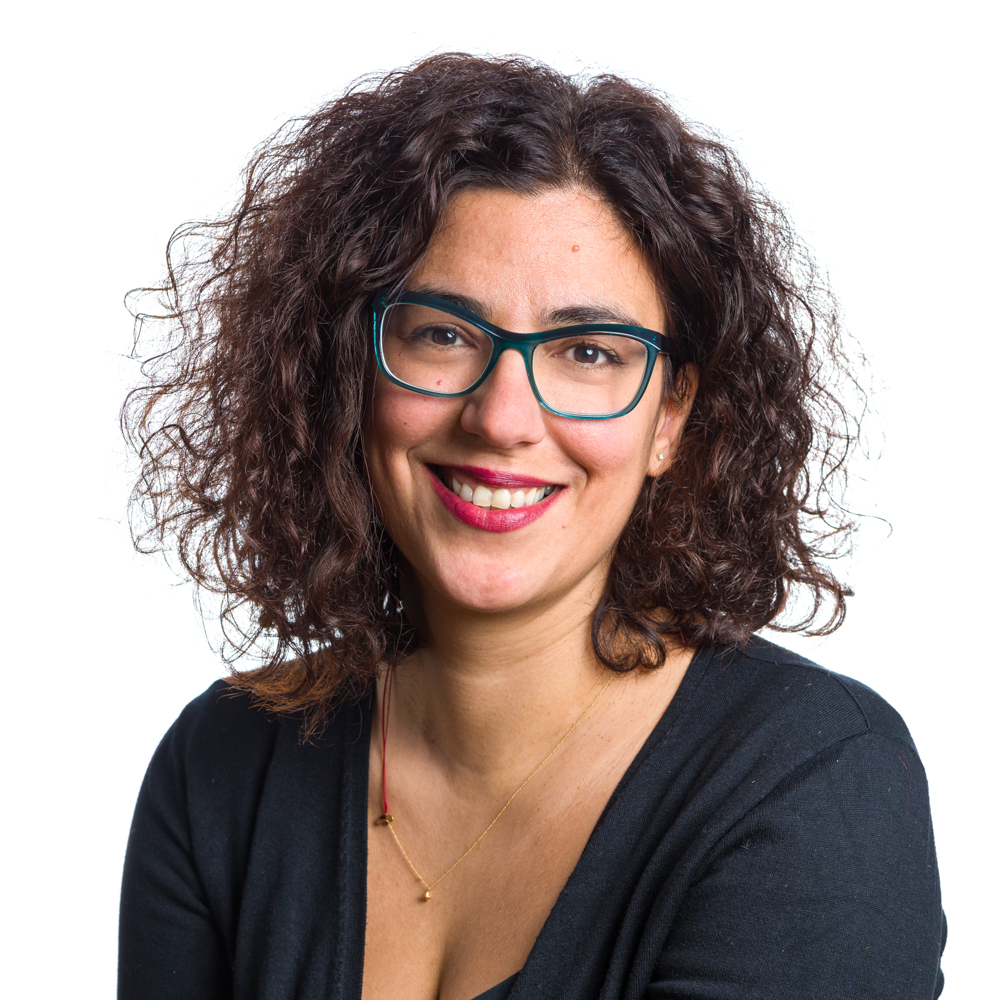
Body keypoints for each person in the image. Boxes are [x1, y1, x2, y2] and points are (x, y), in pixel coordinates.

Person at [118, 54, 945, 999]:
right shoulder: (223, 765)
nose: (503, 418)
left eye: (588, 352)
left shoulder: (811, 781)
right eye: (442, 333)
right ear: (350, 373)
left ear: (670, 418)